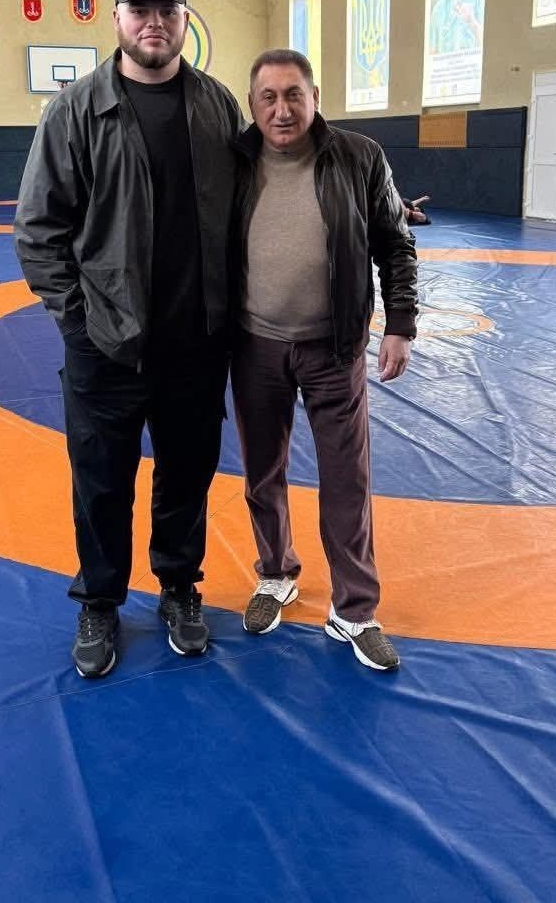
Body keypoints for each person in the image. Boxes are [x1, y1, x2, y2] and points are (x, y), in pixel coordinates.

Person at [14, 0, 243, 679]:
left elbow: (250, 205)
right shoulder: (75, 111)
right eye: (140, 10)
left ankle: (179, 587)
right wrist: (76, 319)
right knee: (102, 481)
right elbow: (38, 229)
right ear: (115, 20)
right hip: (106, 342)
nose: (154, 23)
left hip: (196, 340)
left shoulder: (217, 105)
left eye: (167, 10)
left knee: (188, 476)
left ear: (185, 21)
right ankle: (100, 600)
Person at [230, 50, 418, 672]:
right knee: (262, 471)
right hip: (254, 345)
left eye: (294, 95)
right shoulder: (233, 161)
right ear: (252, 105)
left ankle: (354, 610)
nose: (282, 110)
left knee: (347, 478)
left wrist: (400, 324)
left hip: (333, 348)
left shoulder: (358, 157)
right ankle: (276, 572)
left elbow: (395, 242)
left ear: (316, 98)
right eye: (268, 97)